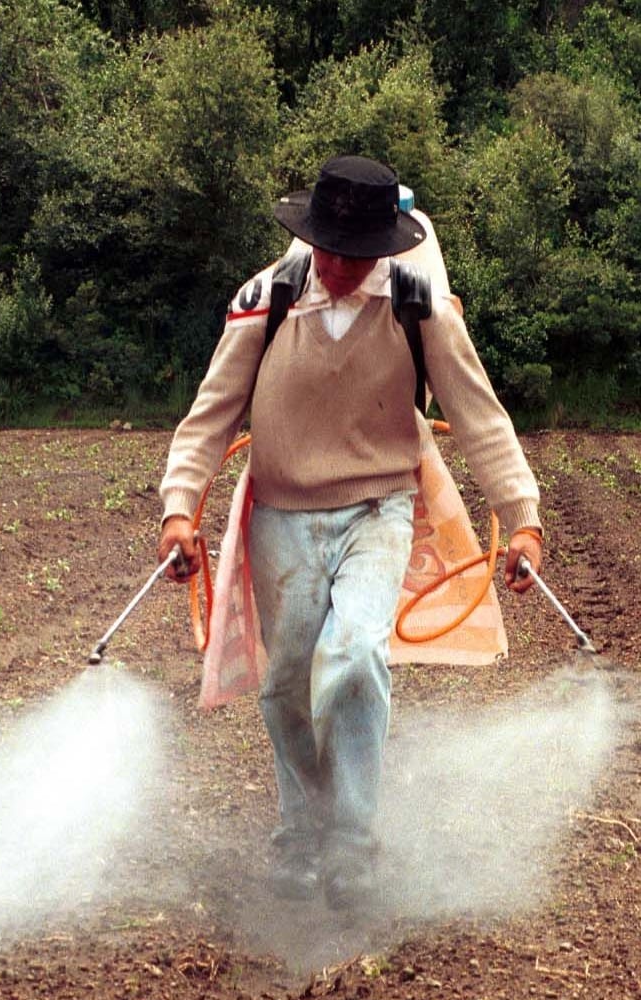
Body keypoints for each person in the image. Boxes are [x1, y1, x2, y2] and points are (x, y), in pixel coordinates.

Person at [157, 155, 544, 911]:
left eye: (353, 252)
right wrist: (180, 508)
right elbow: (211, 414)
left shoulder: (416, 302)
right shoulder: (265, 299)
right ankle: (302, 835)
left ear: (383, 246)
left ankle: (353, 846)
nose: (337, 266)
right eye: (326, 248)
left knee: (357, 653)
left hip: (377, 508)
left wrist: (521, 517)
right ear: (309, 238)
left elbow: (476, 412)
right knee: (286, 686)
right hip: (281, 513)